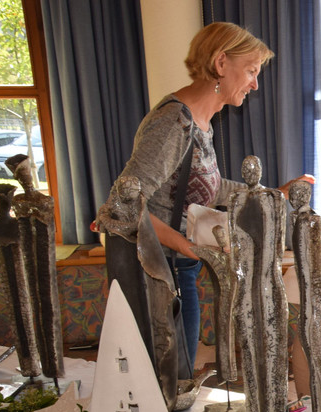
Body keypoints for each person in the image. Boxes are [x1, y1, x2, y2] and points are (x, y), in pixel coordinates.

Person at [114, 21, 310, 371]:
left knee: (180, 372)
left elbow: (209, 188)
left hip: (178, 267)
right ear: (221, 63)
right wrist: (188, 247)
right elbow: (124, 204)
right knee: (171, 376)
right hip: (157, 273)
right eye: (251, 71)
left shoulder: (200, 123)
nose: (255, 83)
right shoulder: (174, 123)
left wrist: (272, 194)